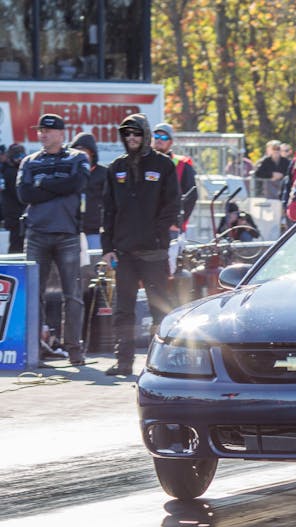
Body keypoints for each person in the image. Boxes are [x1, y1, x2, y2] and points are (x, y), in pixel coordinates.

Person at [102, 114, 179, 375]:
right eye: (127, 134)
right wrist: (107, 247)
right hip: (124, 251)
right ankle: (123, 361)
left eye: (136, 133)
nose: (132, 138)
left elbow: (172, 205)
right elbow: (108, 210)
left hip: (154, 251)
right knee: (123, 309)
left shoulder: (163, 165)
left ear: (145, 134)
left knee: (159, 307)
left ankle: (161, 362)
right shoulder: (116, 167)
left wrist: (157, 235)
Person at [16, 113, 90, 366]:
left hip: (68, 234)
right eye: (40, 131)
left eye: (48, 131)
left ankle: (74, 348)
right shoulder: (29, 161)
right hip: (37, 234)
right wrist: (58, 184)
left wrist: (43, 184)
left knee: (73, 295)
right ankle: (35, 348)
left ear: (61, 133)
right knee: (33, 295)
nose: (43, 134)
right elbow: (24, 194)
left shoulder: (77, 157)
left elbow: (77, 184)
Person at [151, 122, 197, 236]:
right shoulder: (145, 163)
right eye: (156, 136)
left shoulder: (182, 164)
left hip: (170, 228)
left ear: (171, 142)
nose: (159, 140)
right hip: (147, 226)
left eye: (164, 137)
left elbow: (191, 195)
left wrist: (177, 222)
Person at [69, 133, 108, 250]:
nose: (81, 155)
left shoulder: (104, 173)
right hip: (72, 231)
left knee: (95, 260)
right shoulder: (68, 173)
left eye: (84, 151)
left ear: (92, 153)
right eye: (77, 151)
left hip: (95, 231)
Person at [1, 143, 26, 253]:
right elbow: (19, 195)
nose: (20, 159)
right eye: (17, 156)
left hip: (16, 214)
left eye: (22, 156)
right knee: (16, 245)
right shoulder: (10, 172)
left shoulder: (13, 170)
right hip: (15, 215)